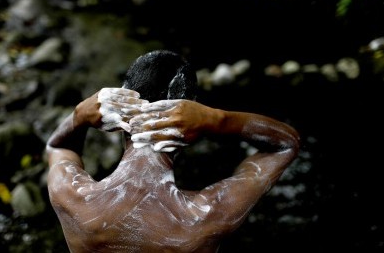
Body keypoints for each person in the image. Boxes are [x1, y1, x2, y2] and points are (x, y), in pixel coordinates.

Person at [45, 50, 301, 252]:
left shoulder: (71, 197)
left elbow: (57, 145)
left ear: (117, 117)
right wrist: (217, 120)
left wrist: (80, 114)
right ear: (190, 122)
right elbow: (286, 144)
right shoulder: (206, 217)